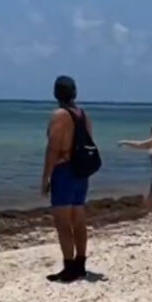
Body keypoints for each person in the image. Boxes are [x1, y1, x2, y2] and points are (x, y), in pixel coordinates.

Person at [41, 75, 96, 283]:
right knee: (79, 219)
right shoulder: (83, 115)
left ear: (56, 93)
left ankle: (69, 267)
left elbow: (53, 148)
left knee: (63, 223)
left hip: (64, 170)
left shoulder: (59, 116)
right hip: (81, 171)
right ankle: (80, 264)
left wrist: (46, 177)